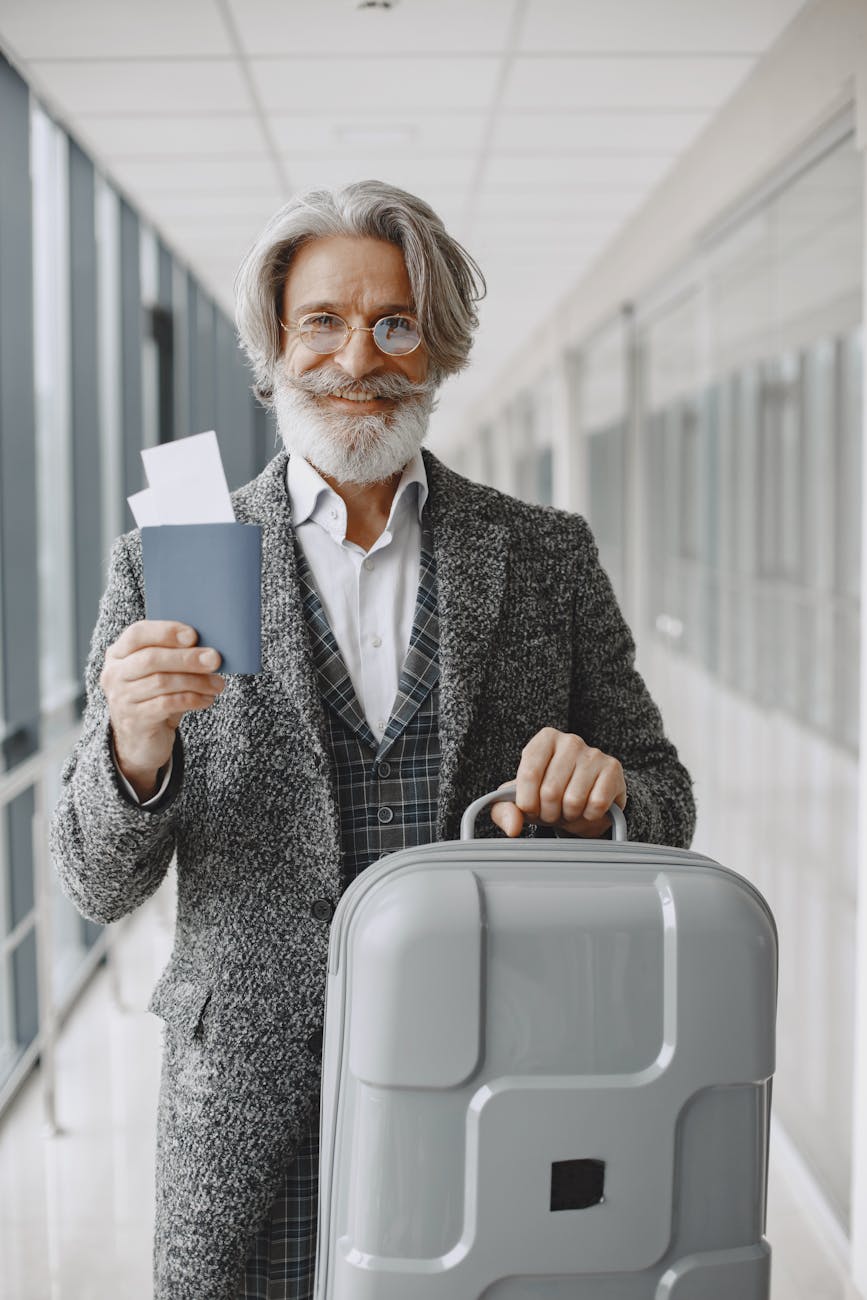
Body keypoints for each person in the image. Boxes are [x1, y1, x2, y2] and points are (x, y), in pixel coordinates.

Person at [49, 179, 695, 1300]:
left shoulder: (543, 556)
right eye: (324, 323)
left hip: (498, 1078)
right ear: (276, 349)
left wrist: (612, 796)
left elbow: (667, 799)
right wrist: (133, 750)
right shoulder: (165, 562)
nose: (360, 357)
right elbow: (96, 881)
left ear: (438, 347)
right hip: (250, 1108)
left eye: (396, 322)